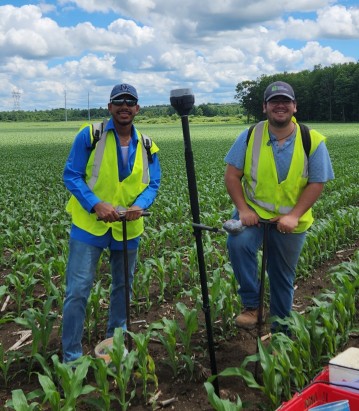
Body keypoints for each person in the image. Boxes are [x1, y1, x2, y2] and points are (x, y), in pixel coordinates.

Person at [62, 83, 161, 362]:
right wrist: (96, 203)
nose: (125, 106)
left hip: (128, 228)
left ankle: (114, 344)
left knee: (122, 288)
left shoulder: (147, 144)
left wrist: (139, 206)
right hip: (89, 226)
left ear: (138, 108)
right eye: (119, 101)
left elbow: (153, 183)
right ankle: (71, 358)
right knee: (78, 291)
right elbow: (71, 175)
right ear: (110, 108)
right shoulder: (90, 135)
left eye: (130, 102)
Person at [224, 81, 334, 332]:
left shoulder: (312, 140)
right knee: (238, 243)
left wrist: (294, 216)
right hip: (254, 213)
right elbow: (231, 176)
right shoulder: (251, 135)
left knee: (282, 277)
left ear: (294, 106)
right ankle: (252, 306)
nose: (280, 106)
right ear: (265, 107)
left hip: (290, 221)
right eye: (274, 102)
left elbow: (317, 183)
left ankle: (280, 335)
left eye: (286, 101)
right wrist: (243, 209)